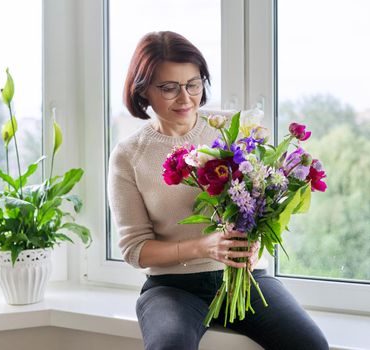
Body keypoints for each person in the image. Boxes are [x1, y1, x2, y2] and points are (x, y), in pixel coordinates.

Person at [108, 31, 329, 350]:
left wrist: (255, 240)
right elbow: (135, 250)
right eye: (169, 88)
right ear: (142, 89)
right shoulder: (130, 154)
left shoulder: (234, 129)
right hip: (173, 288)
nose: (185, 98)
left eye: (193, 84)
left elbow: (262, 193)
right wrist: (203, 247)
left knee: (311, 345)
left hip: (248, 280)